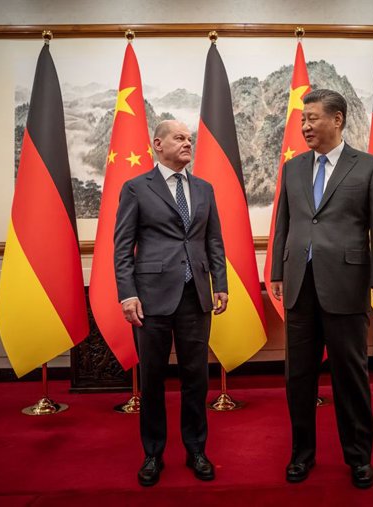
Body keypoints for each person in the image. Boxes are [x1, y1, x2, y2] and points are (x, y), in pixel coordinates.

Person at [270, 89, 373, 489]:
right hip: (299, 286)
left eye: (312, 118)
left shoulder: (370, 167)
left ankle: (359, 457)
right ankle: (301, 455)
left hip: (346, 283)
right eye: (303, 120)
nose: (305, 126)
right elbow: (283, 225)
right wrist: (276, 271)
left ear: (337, 119)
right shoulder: (293, 168)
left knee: (350, 376)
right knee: (299, 377)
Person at [114, 120, 228, 487]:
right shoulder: (135, 188)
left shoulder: (204, 189)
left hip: (196, 296)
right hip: (150, 299)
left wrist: (220, 284)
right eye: (180, 138)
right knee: (152, 380)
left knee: (196, 379)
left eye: (189, 139)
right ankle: (153, 453)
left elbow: (214, 242)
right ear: (158, 144)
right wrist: (127, 293)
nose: (187, 143)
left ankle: (196, 449)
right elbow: (122, 248)